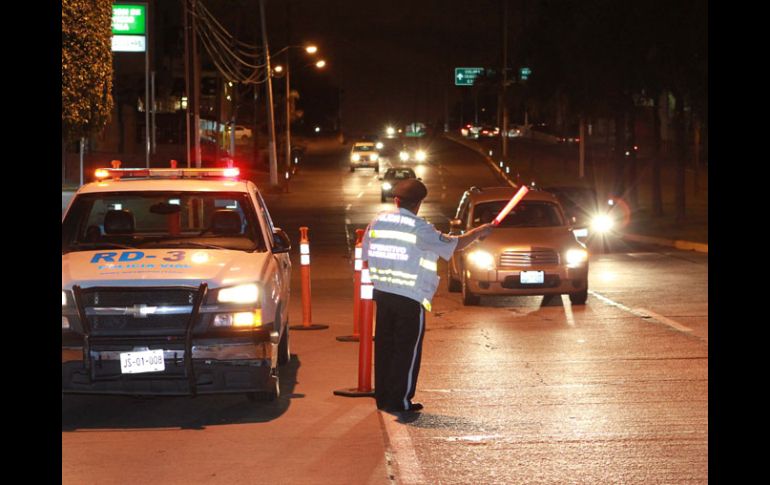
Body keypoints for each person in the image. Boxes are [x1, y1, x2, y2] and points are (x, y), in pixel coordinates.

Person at [362, 179, 493, 413]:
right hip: (409, 297)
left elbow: (365, 253)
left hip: (382, 294)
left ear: (396, 200)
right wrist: (478, 232)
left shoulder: (378, 222)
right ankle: (400, 401)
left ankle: (384, 397)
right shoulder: (419, 228)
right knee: (406, 351)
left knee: (385, 347)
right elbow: (455, 244)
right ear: (419, 203)